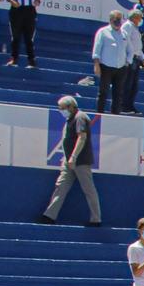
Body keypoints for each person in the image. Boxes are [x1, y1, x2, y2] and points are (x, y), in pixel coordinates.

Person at [39, 96, 102, 226]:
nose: (61, 110)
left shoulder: (80, 117)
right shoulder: (70, 119)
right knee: (60, 187)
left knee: (89, 190)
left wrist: (73, 156)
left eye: (63, 108)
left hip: (80, 161)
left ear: (71, 107)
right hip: (69, 162)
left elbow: (82, 137)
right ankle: (49, 215)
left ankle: (96, 219)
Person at [91, 11, 134, 114]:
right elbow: (97, 49)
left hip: (120, 68)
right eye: (116, 20)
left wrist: (128, 62)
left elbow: (130, 50)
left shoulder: (124, 33)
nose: (118, 23)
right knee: (103, 92)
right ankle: (99, 113)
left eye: (120, 20)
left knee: (118, 93)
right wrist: (96, 65)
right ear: (110, 20)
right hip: (106, 66)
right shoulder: (103, 32)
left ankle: (115, 115)